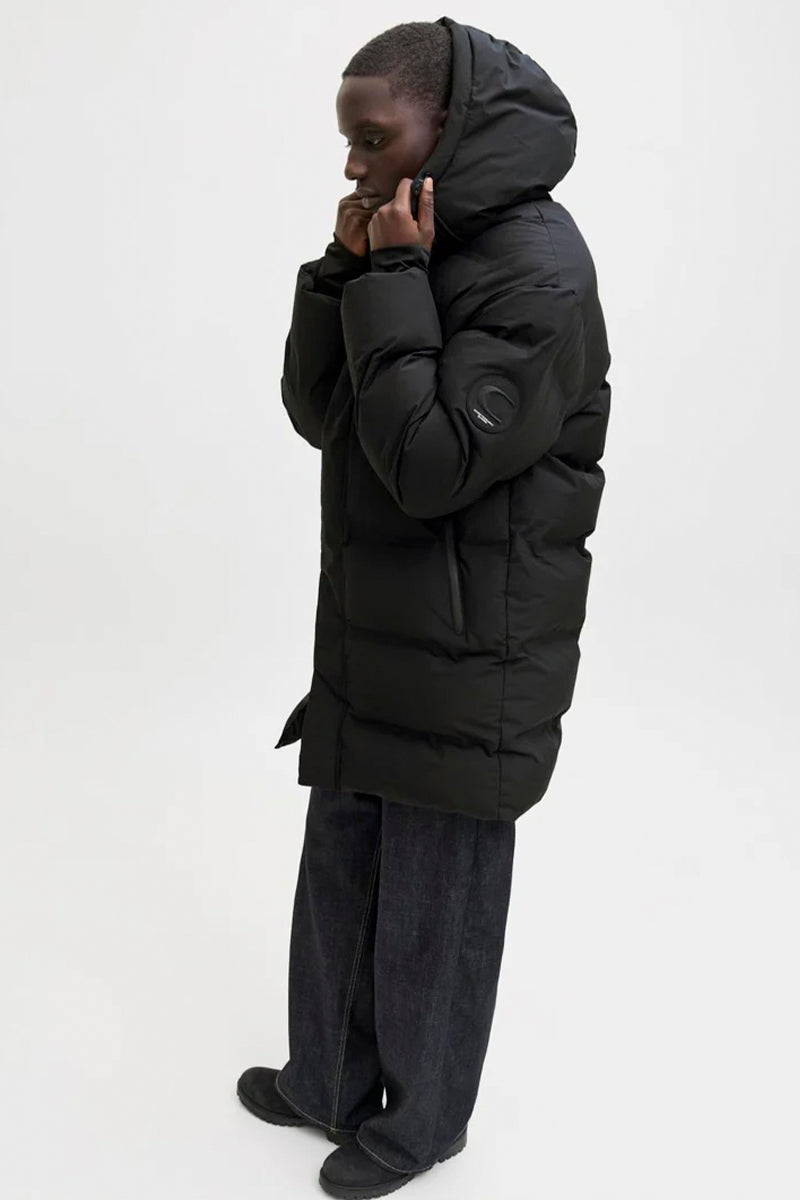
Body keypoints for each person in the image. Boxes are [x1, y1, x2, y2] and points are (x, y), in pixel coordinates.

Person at [238, 16, 611, 1198]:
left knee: (434, 906)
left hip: (470, 647)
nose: (352, 161)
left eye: (371, 136)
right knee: (343, 870)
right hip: (374, 630)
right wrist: (345, 270)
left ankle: (416, 1130)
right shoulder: (411, 234)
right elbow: (321, 412)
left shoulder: (538, 268)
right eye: (347, 140)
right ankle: (325, 1083)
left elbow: (432, 464)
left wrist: (394, 277)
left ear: (446, 126)